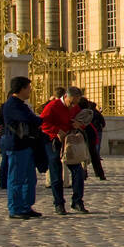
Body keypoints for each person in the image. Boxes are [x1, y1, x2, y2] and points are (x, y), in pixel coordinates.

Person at [40, 85, 88, 214]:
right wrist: (56, 131)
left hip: (69, 142)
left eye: (75, 103)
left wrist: (78, 125)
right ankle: (59, 203)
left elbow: (81, 120)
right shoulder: (52, 106)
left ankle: (77, 201)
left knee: (78, 171)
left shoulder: (75, 107)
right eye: (71, 103)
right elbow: (43, 123)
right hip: (53, 142)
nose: (73, 106)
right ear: (65, 96)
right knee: (56, 174)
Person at [1, 76, 43, 219]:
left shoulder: (21, 104)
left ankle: (26, 205)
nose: (30, 91)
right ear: (21, 88)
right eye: (28, 88)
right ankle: (15, 208)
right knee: (16, 178)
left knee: (29, 178)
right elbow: (30, 119)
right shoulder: (12, 104)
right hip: (16, 145)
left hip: (26, 144)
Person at [77, 94, 106, 180]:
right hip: (92, 133)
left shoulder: (80, 113)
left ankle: (84, 172)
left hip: (83, 133)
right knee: (94, 155)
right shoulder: (93, 112)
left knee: (82, 154)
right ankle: (100, 173)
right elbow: (103, 123)